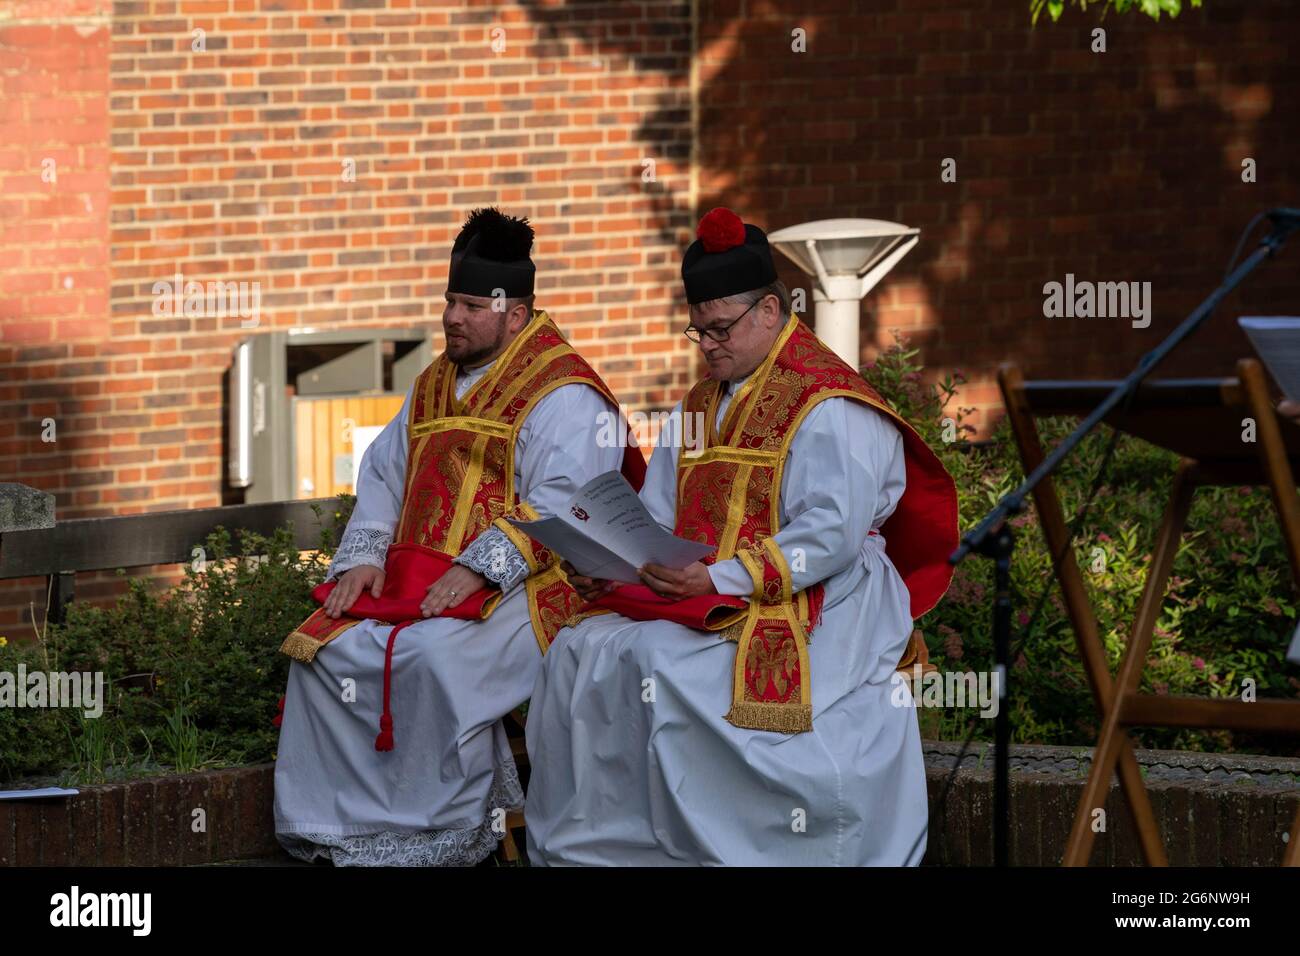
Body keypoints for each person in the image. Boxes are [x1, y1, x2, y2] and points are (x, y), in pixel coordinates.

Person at [524, 207, 959, 866]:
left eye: (719, 328)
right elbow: (659, 515)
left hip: (820, 600)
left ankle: (725, 850)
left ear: (771, 310)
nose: (707, 344)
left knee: (658, 665)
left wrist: (720, 579)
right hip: (707, 594)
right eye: (696, 330)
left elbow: (832, 535)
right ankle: (608, 850)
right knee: (578, 649)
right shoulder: (700, 405)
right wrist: (617, 565)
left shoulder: (828, 403)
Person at [273, 208, 643, 866]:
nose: (451, 318)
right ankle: (339, 833)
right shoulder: (434, 384)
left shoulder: (564, 392)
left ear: (517, 314)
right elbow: (385, 473)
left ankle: (439, 834)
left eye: (471, 305)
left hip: (537, 586)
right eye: (450, 300)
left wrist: (480, 568)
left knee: (435, 661)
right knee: (325, 656)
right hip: (418, 578)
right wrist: (361, 557)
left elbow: (567, 502)